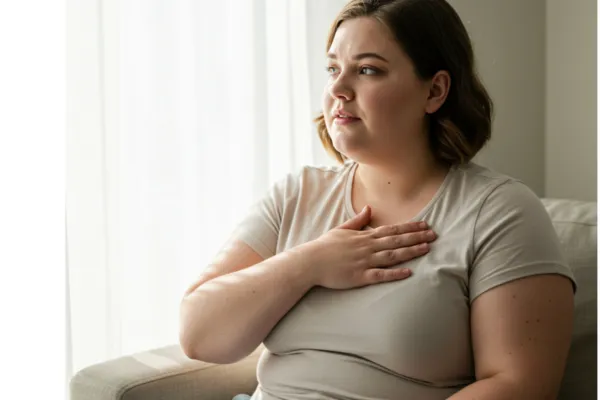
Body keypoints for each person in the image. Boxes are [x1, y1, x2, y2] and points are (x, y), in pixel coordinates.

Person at [179, 0, 577, 399]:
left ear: (435, 91)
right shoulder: (297, 194)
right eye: (333, 69)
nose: (337, 88)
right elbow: (199, 335)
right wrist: (309, 263)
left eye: (367, 70)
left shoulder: (500, 213)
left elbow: (519, 384)